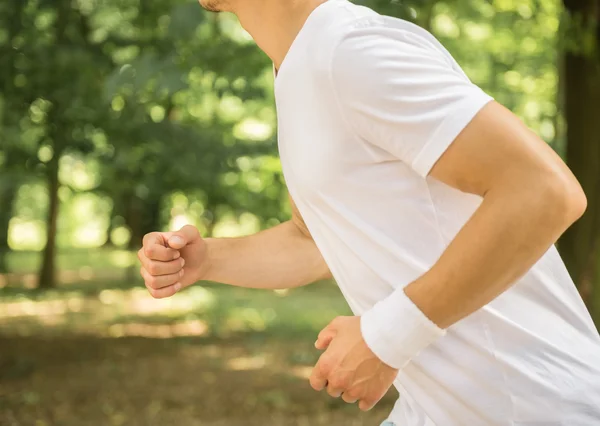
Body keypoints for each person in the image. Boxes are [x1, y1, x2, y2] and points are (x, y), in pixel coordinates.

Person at [137, 0, 600, 424]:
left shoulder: (350, 52)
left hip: (534, 405)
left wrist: (386, 337)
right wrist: (209, 260)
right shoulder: (297, 66)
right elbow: (316, 240)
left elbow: (543, 191)